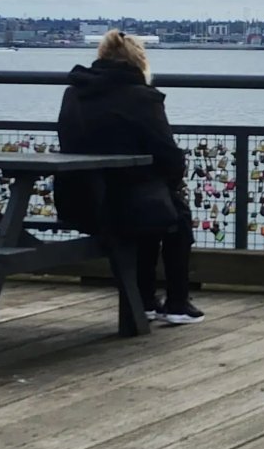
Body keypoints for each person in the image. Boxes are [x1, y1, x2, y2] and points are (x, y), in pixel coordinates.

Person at [54, 29, 204, 325]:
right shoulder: (142, 97)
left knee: (152, 206)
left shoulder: (74, 93)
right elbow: (168, 155)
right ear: (139, 62)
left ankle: (145, 299)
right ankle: (176, 303)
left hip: (78, 200)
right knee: (174, 214)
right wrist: (172, 183)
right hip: (123, 204)